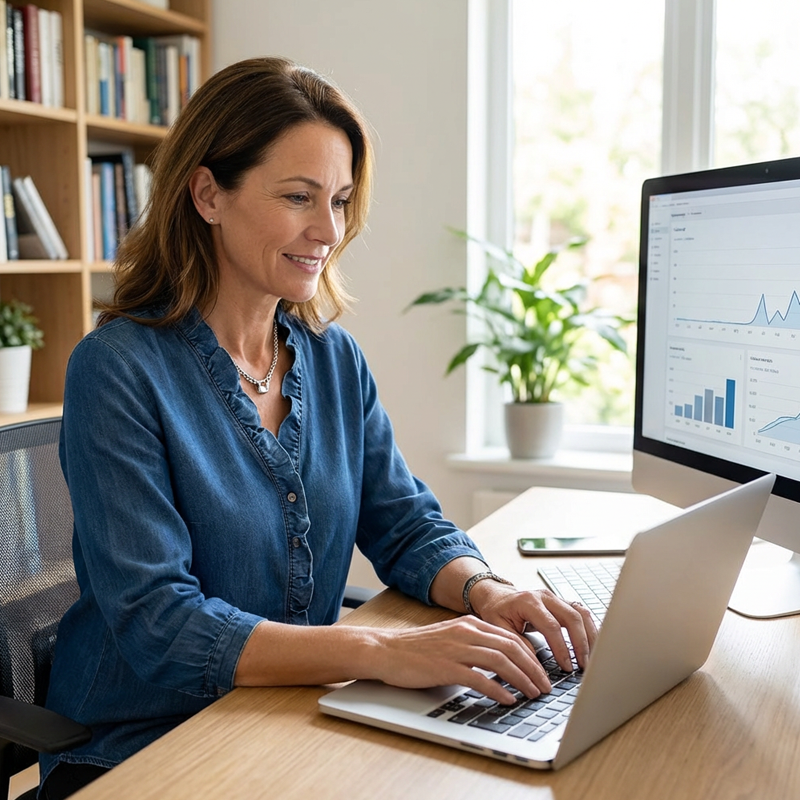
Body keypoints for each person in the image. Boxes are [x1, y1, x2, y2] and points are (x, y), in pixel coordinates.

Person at [40, 56, 597, 799]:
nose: (328, 229)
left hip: (287, 715)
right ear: (207, 193)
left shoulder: (333, 359)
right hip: (137, 748)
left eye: (338, 199)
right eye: (299, 197)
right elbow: (159, 625)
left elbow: (403, 524)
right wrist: (380, 651)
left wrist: (486, 592)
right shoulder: (117, 369)